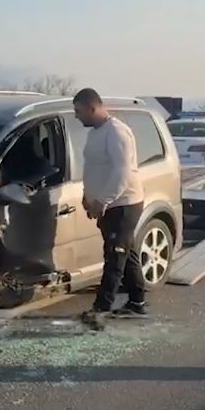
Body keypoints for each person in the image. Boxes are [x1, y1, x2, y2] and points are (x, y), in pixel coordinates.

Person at [72, 88, 148, 320]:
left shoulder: (117, 132)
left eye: (78, 111)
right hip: (106, 205)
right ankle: (137, 302)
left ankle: (101, 308)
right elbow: (94, 168)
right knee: (127, 254)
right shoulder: (95, 133)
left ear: (92, 108)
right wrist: (88, 196)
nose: (76, 116)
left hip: (123, 205)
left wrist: (102, 201)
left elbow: (122, 174)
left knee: (115, 256)